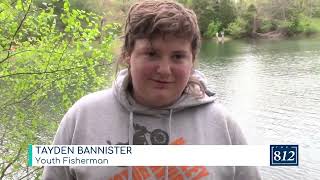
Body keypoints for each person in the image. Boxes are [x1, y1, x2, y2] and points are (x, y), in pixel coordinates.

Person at [42, 0, 261, 179]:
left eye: (178, 56)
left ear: (192, 59)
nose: (164, 70)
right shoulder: (84, 116)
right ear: (128, 54)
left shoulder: (221, 124)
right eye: (151, 54)